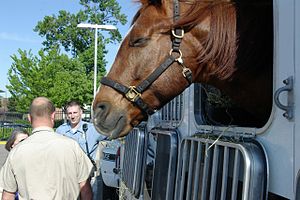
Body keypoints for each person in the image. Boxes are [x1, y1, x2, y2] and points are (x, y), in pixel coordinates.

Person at [1, 97, 93, 199]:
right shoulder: (72, 146)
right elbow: (85, 189)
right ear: (53, 116)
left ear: (29, 118)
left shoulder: (16, 152)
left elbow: (8, 196)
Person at [56, 100, 107, 199]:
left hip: (89, 176)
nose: (72, 116)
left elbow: (111, 135)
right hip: (68, 176)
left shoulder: (93, 129)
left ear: (81, 113)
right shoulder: (60, 131)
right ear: (66, 115)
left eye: (75, 112)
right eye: (69, 113)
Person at [0, 128, 29, 200]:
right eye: (22, 141)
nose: (26, 144)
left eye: (28, 141)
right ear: (12, 144)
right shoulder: (9, 164)